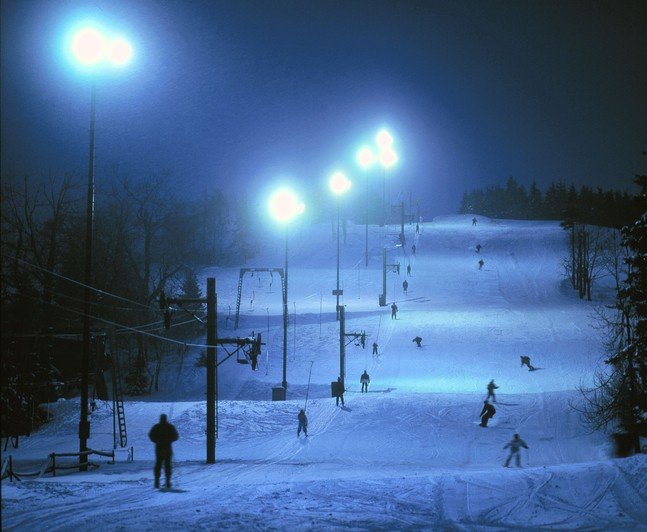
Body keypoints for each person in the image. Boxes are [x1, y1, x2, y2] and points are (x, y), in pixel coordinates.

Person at [148, 414, 179, 489]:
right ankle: (167, 482)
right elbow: (176, 436)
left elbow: (151, 435)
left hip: (159, 448)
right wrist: (169, 440)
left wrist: (157, 441)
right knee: (167, 464)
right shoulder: (170, 427)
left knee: (158, 464)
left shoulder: (156, 427)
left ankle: (157, 481)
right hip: (167, 448)